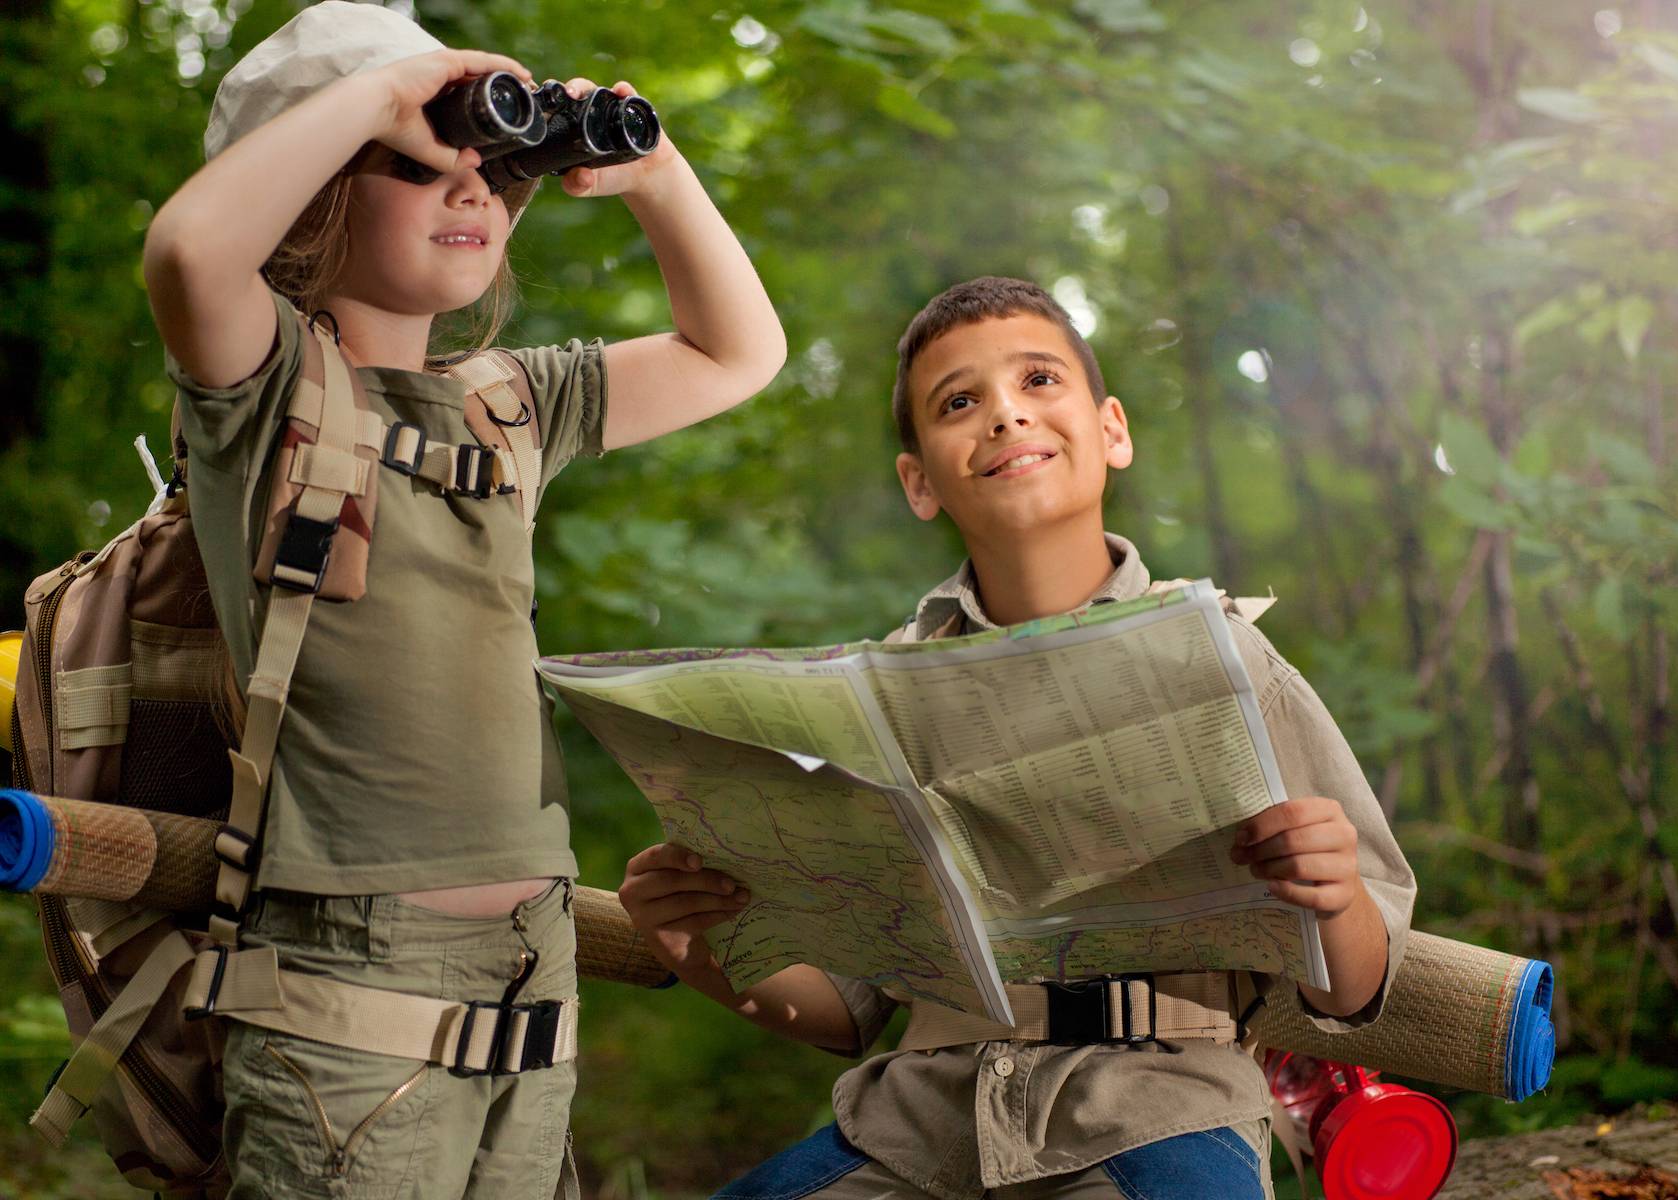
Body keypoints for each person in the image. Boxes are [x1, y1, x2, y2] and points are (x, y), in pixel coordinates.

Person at [143, 3, 784, 1196]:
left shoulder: (513, 402)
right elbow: (189, 251)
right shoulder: (261, 384)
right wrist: (395, 93)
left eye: (494, 164)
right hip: (344, 998)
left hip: (531, 987)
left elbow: (737, 353)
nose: (472, 185)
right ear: (308, 198)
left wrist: (658, 174)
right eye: (421, 161)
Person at [619, 277, 1414, 1200]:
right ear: (920, 481)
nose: (1004, 415)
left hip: (1156, 1111)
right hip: (912, 1127)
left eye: (1038, 381)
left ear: (1111, 430)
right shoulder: (880, 697)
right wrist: (697, 944)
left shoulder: (1225, 658)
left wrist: (1333, 892)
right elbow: (842, 1010)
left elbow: (1356, 989)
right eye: (960, 402)